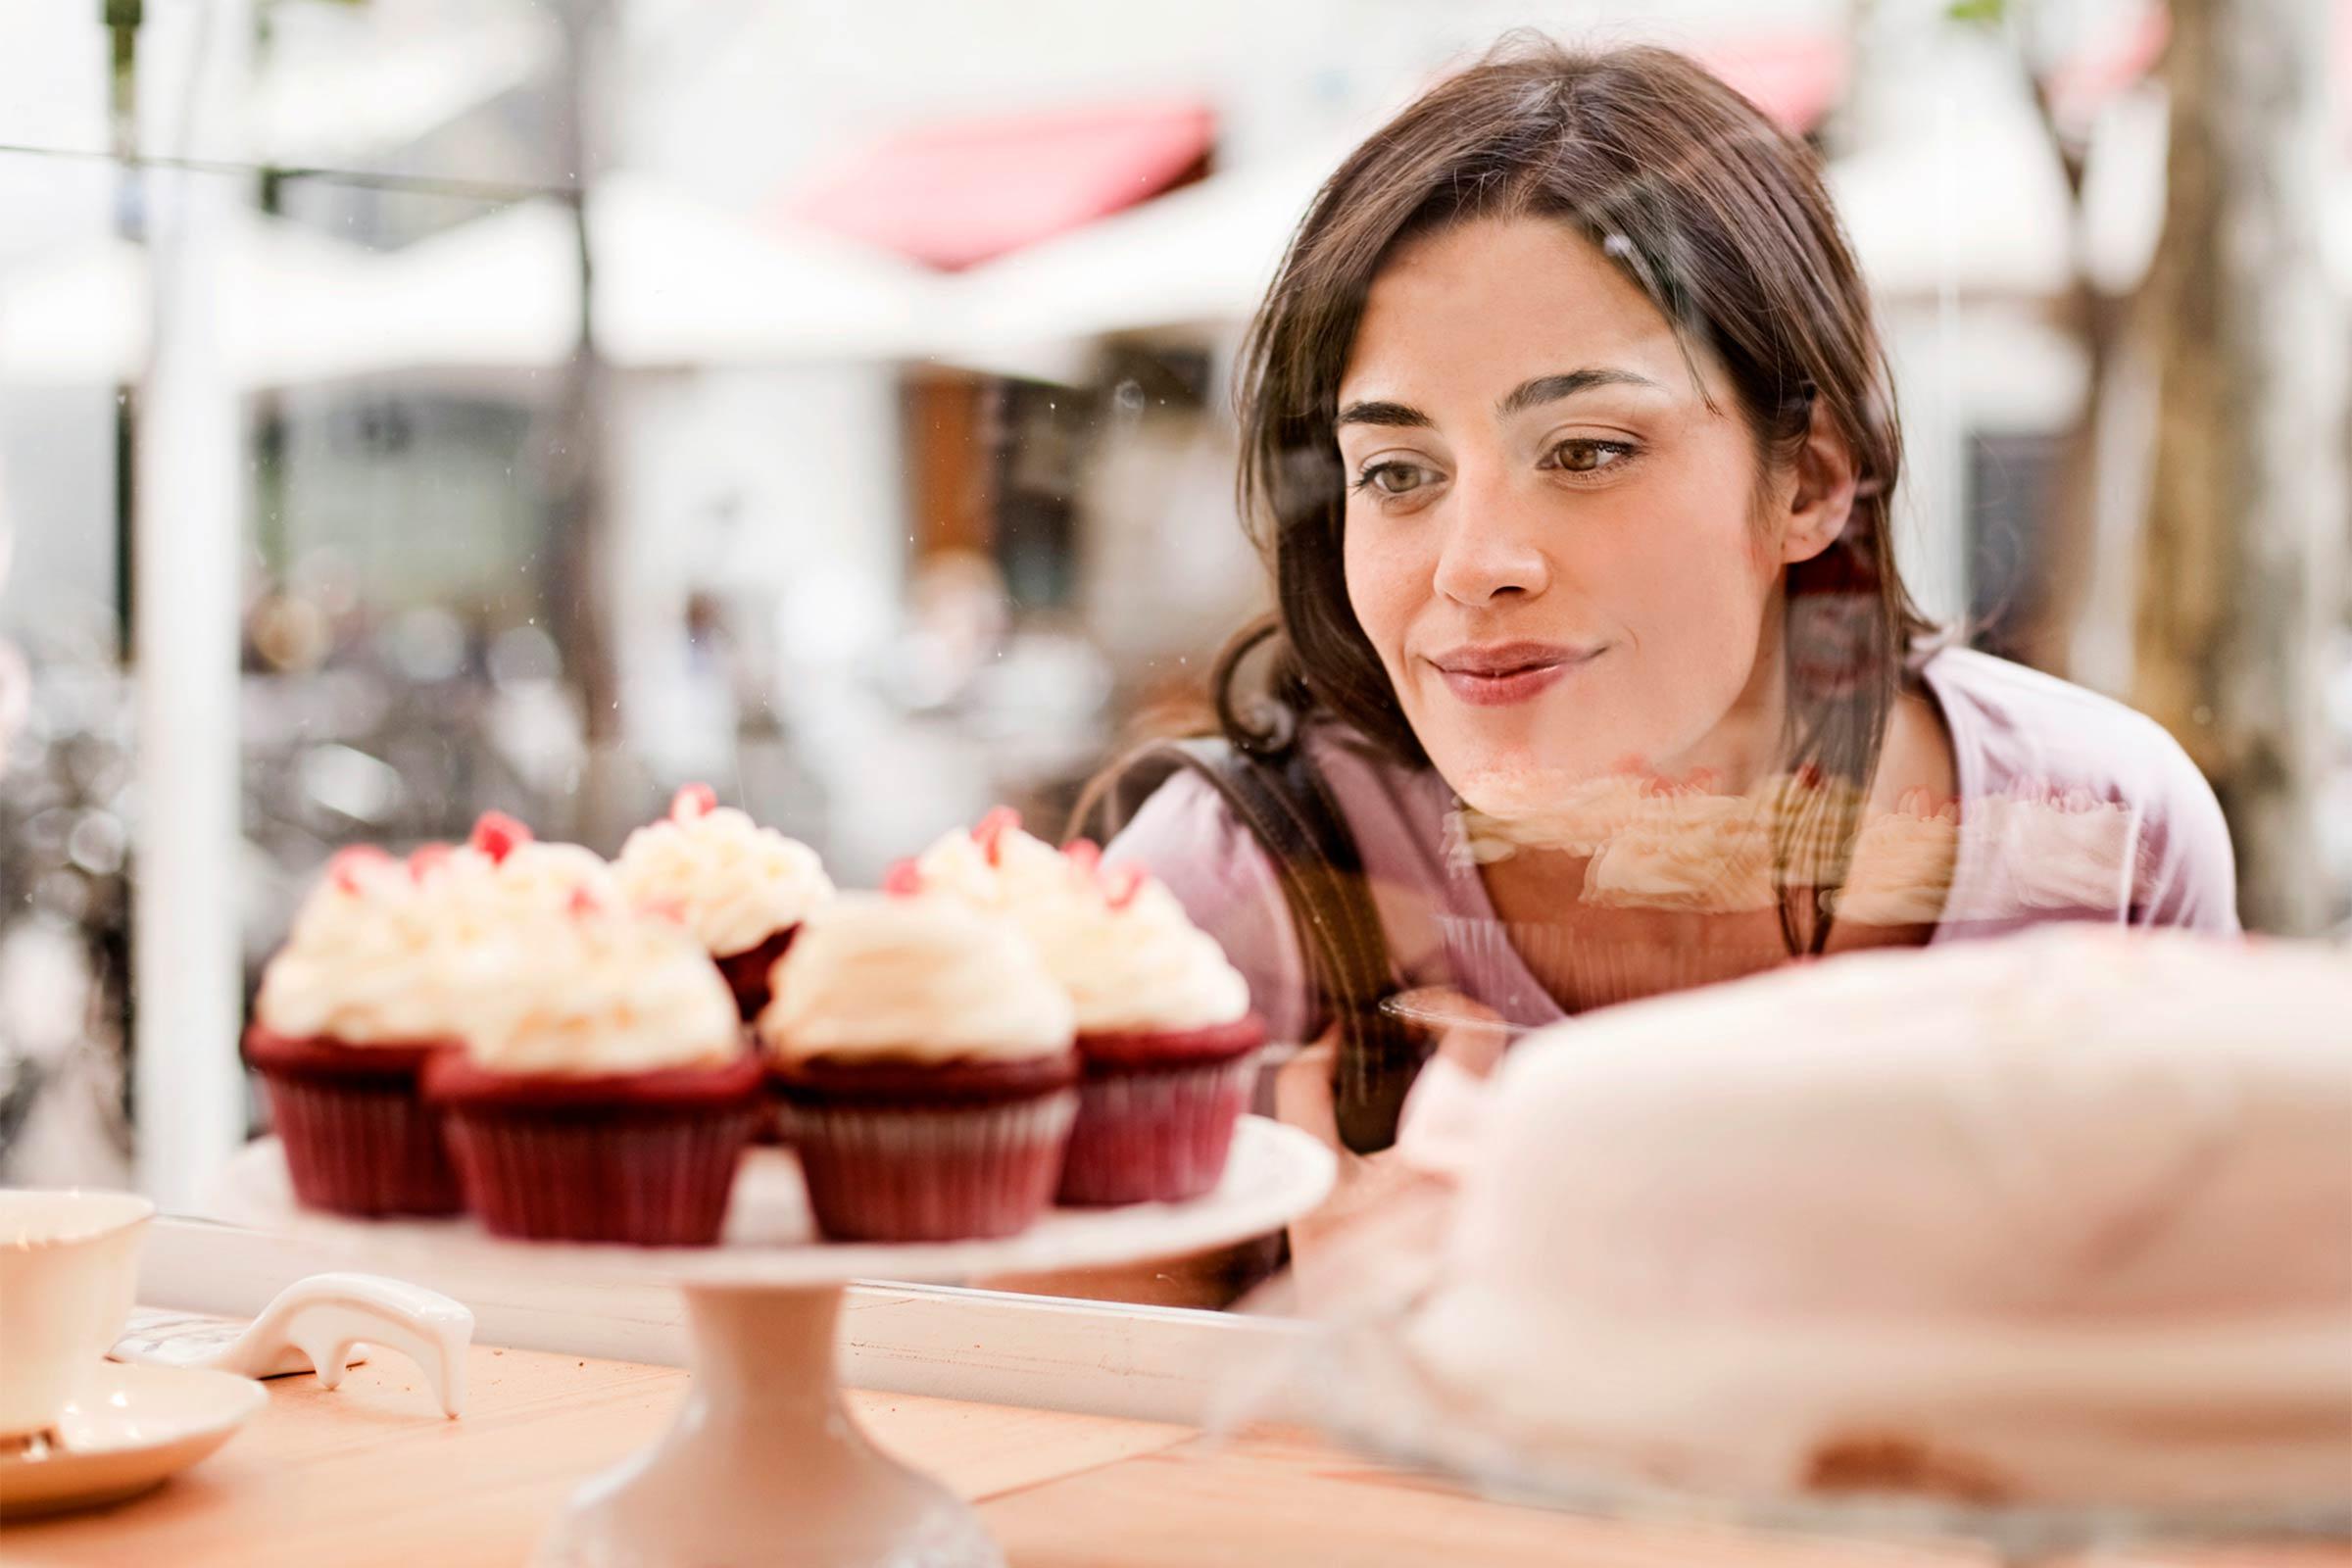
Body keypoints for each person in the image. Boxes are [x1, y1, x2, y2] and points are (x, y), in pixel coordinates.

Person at [1085, 39, 2236, 1294]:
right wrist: (1317, 1359)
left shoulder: (2095, 837)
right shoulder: (1236, 893)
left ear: (1808, 481)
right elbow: (1030, 1442)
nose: (1474, 567)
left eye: (1584, 450)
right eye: (1399, 474)